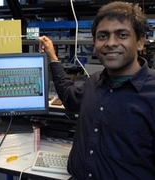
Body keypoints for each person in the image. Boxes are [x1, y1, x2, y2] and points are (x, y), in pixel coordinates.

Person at [38, 1, 155, 180]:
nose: (110, 43)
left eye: (122, 35)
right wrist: (52, 58)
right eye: (102, 36)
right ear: (94, 43)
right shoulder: (95, 81)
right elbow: (70, 98)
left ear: (140, 41)